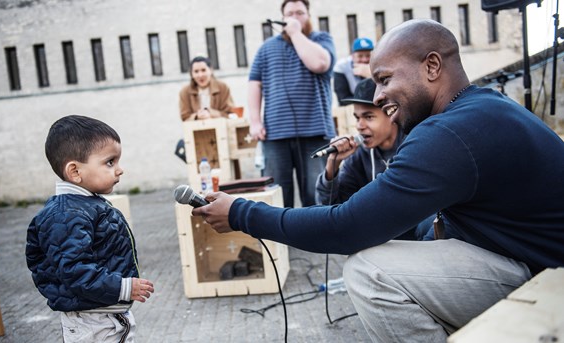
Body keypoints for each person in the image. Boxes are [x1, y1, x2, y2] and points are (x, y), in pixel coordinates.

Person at [192, 19, 564, 341]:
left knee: (370, 272)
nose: (379, 96)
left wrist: (241, 214)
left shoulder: (450, 133)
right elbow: (398, 222)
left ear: (432, 66)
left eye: (384, 79)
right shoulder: (481, 109)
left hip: (548, 283)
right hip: (532, 262)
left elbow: (347, 227)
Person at [26, 115, 155, 342]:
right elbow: (75, 271)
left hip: (103, 313)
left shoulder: (85, 205)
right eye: (109, 162)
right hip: (91, 322)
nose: (119, 170)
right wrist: (123, 287)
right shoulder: (66, 215)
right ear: (75, 172)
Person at [315, 77, 431, 240]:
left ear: (392, 114)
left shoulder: (415, 143)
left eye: (368, 117)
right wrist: (332, 166)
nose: (359, 125)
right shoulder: (358, 156)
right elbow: (331, 209)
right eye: (357, 118)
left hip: (418, 240)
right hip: (383, 239)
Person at [248, 0, 336, 208]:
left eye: (300, 13)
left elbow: (320, 64)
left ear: (308, 15)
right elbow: (254, 84)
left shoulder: (322, 40)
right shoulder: (266, 49)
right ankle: (278, 240)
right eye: (290, 14)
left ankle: (315, 238)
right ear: (281, 18)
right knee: (276, 194)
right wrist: (254, 121)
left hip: (315, 133)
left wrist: (296, 34)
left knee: (315, 194)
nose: (294, 18)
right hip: (275, 134)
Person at [179, 56, 234, 121]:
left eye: (203, 70)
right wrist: (197, 116)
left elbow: (230, 114)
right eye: (196, 71)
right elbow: (184, 117)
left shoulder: (223, 87)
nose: (200, 75)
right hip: (196, 129)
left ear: (210, 70)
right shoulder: (185, 92)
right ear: (191, 74)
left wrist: (211, 113)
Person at [333, 37, 374, 106]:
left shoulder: (379, 65)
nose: (364, 60)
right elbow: (342, 99)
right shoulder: (341, 67)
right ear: (352, 56)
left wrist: (371, 76)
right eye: (360, 56)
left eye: (368, 55)